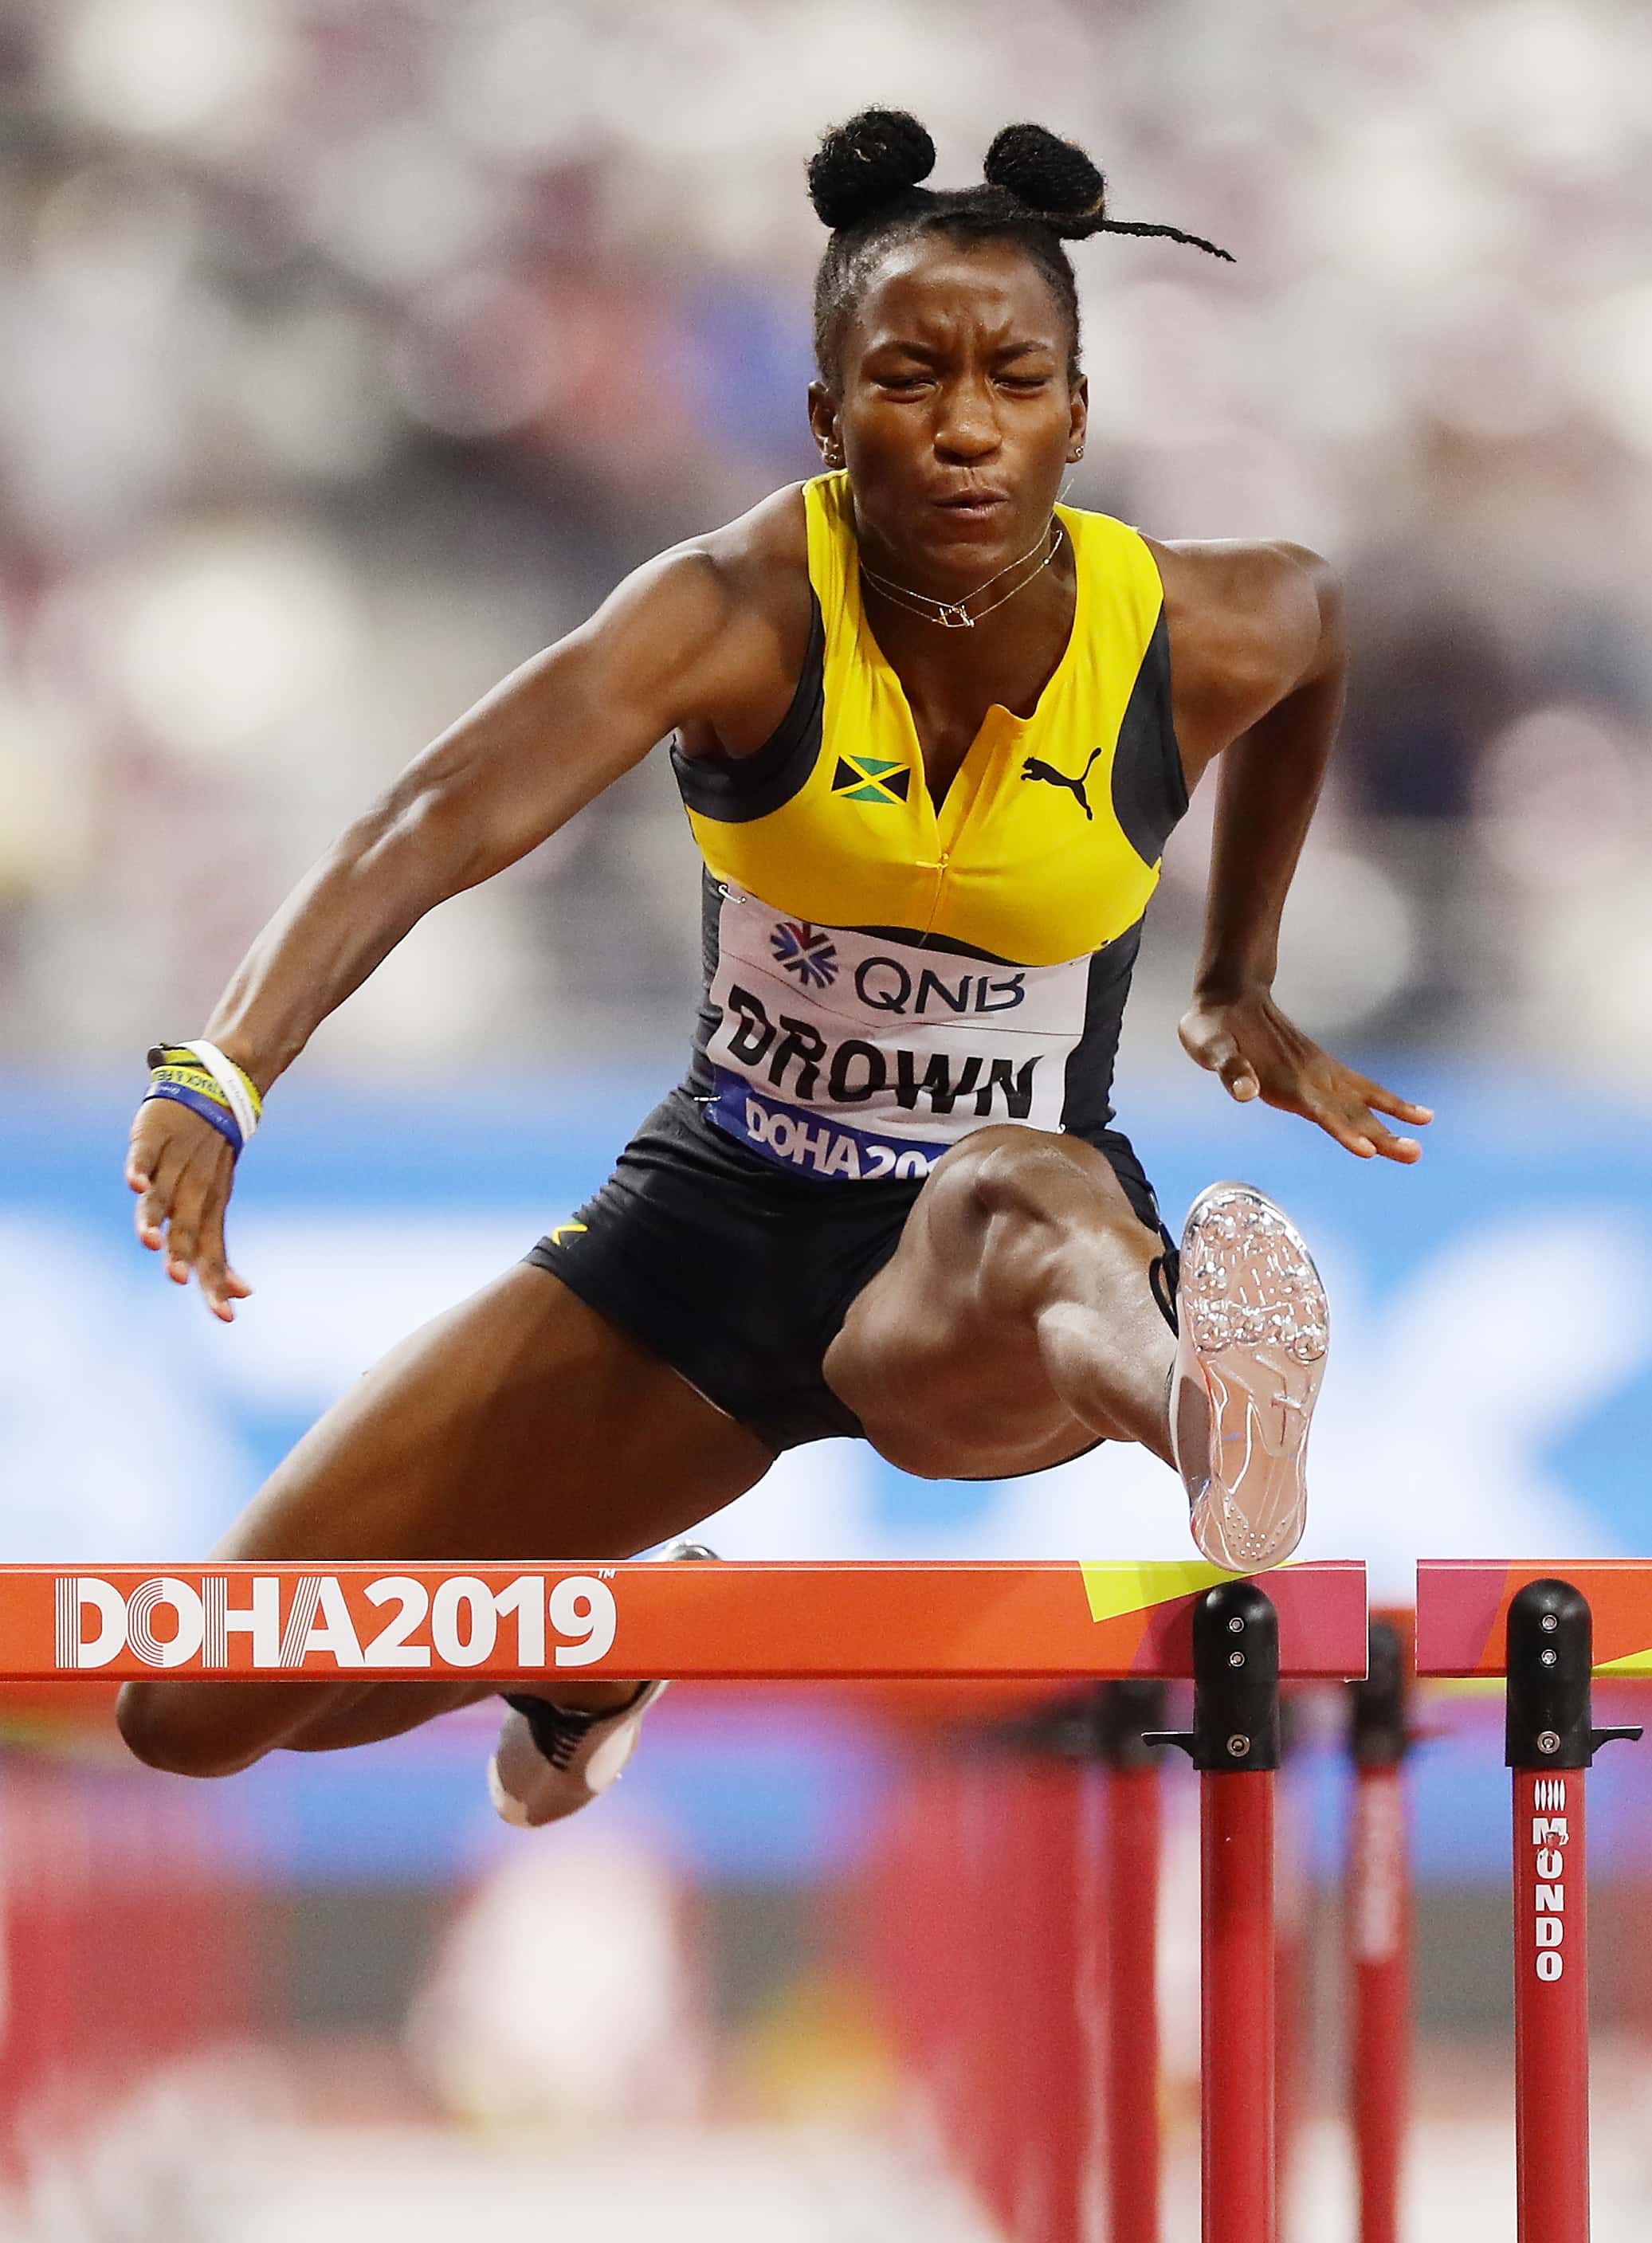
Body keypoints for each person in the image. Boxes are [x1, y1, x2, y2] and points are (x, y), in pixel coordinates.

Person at [116, 112, 1430, 1824]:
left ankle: (1211, 1409)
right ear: (827, 415)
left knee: (1025, 1191)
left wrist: (1234, 971)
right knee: (187, 1710)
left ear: (1074, 413)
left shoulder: (1190, 625)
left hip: (973, 1273)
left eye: (1012, 378)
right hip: (706, 1228)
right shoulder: (733, 607)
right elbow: (430, 817)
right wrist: (225, 1064)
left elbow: (1319, 630)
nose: (963, 428)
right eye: (907, 379)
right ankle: (591, 1653)